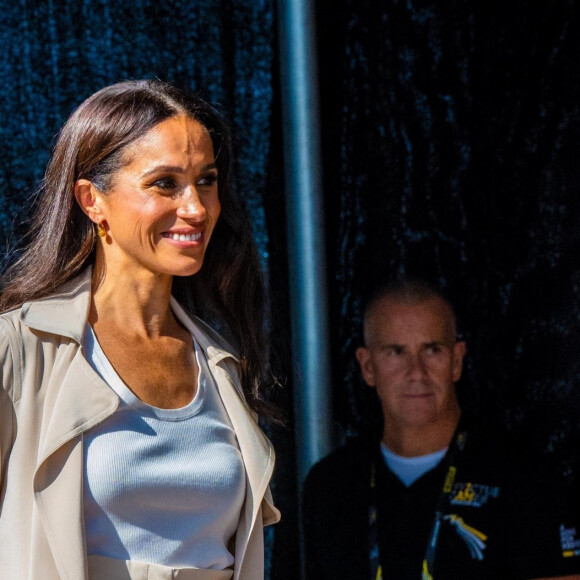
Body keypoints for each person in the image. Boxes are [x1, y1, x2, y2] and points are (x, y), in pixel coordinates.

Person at [0, 79, 280, 580]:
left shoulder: (222, 364)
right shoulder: (19, 350)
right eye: (165, 183)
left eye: (207, 179)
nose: (196, 207)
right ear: (92, 200)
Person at [303, 278, 579, 580]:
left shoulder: (525, 479)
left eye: (432, 350)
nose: (416, 372)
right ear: (368, 366)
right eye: (396, 352)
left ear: (457, 360)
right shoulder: (330, 485)